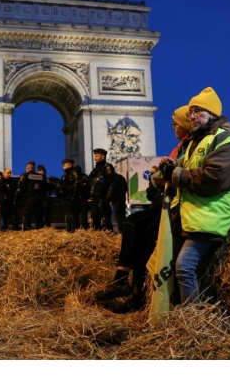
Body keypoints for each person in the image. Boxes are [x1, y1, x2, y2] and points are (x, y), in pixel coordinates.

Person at [159, 87, 230, 305]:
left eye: (198, 111)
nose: (191, 116)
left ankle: (193, 321)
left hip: (213, 213)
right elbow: (191, 169)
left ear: (212, 113)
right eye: (191, 111)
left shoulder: (229, 141)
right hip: (196, 213)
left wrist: (177, 175)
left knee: (184, 266)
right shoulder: (198, 140)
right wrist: (174, 166)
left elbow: (214, 178)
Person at [95, 105, 191, 313]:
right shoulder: (180, 147)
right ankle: (135, 294)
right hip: (164, 200)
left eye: (176, 123)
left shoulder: (190, 147)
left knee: (132, 224)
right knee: (140, 242)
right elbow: (161, 177)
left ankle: (124, 280)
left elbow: (171, 175)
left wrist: (162, 173)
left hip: (175, 203)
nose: (173, 127)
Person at [88, 148, 115, 231]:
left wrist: (107, 198)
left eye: (97, 156)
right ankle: (97, 236)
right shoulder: (95, 170)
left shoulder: (108, 168)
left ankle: (108, 236)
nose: (94, 158)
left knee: (105, 218)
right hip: (95, 198)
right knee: (95, 217)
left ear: (103, 157)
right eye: (94, 156)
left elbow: (112, 184)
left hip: (103, 197)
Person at [15, 161, 46, 230]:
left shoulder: (25, 175)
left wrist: (17, 199)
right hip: (39, 199)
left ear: (27, 168)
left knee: (27, 216)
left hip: (29, 199)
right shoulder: (40, 176)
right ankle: (40, 232)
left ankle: (26, 232)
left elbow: (20, 189)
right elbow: (44, 188)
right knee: (38, 217)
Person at [56, 158, 77, 233]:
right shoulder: (65, 176)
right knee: (67, 216)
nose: (63, 167)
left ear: (69, 165)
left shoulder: (74, 174)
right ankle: (69, 230)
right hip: (66, 198)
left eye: (65, 165)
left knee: (72, 216)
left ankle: (73, 230)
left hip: (71, 198)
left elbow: (75, 186)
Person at [107, 163, 128, 232]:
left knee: (119, 215)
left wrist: (113, 198)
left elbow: (113, 190)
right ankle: (123, 229)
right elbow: (125, 188)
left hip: (117, 199)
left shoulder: (114, 178)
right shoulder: (120, 177)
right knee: (121, 214)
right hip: (121, 198)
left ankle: (121, 229)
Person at [72, 165, 90, 229]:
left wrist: (81, 183)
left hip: (83, 198)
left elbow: (87, 186)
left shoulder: (84, 177)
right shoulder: (73, 178)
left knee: (83, 215)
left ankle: (84, 227)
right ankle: (77, 228)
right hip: (76, 198)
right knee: (75, 215)